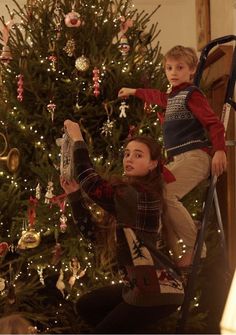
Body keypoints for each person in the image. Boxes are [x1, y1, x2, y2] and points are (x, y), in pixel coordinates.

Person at [60, 119, 184, 334]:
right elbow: (93, 235)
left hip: (156, 289)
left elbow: (90, 182)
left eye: (138, 155)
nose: (129, 159)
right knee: (86, 305)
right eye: (127, 154)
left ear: (153, 164)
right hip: (140, 284)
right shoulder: (126, 197)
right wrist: (74, 198)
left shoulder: (140, 197)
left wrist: (78, 138)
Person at [118, 45, 227, 269]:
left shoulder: (192, 94)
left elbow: (213, 124)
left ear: (192, 70)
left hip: (195, 156)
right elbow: (156, 96)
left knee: (166, 194)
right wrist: (133, 91)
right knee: (157, 193)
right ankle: (170, 246)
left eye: (179, 67)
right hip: (180, 158)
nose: (173, 72)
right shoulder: (173, 96)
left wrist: (219, 150)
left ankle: (196, 246)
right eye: (169, 68)